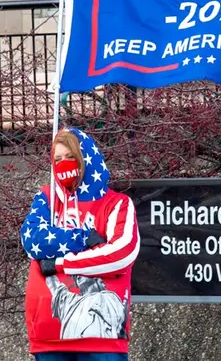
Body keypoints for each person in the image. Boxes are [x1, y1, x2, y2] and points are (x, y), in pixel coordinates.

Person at [20, 127, 140, 360]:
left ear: (85, 157)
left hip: (102, 339)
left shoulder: (117, 204)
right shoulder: (46, 198)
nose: (63, 164)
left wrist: (60, 263)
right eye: (57, 159)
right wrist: (85, 238)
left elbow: (120, 255)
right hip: (48, 334)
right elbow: (33, 240)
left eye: (70, 157)